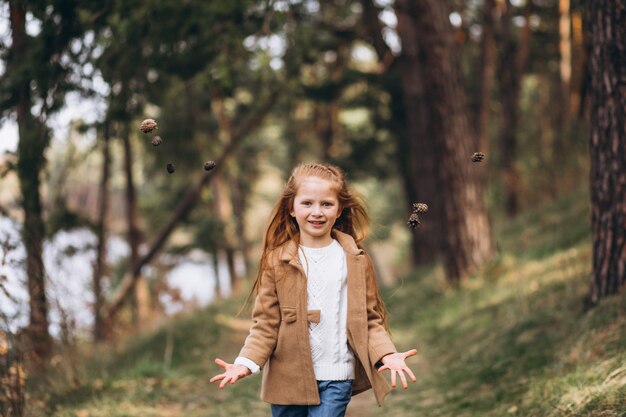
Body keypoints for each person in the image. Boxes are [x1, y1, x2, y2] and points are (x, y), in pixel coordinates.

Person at [209, 163, 417, 417]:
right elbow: (266, 323)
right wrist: (245, 363)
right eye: (307, 203)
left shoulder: (355, 259)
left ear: (339, 209)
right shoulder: (277, 261)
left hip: (337, 376)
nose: (316, 212)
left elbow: (368, 318)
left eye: (326, 204)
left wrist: (387, 354)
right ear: (292, 208)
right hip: (287, 379)